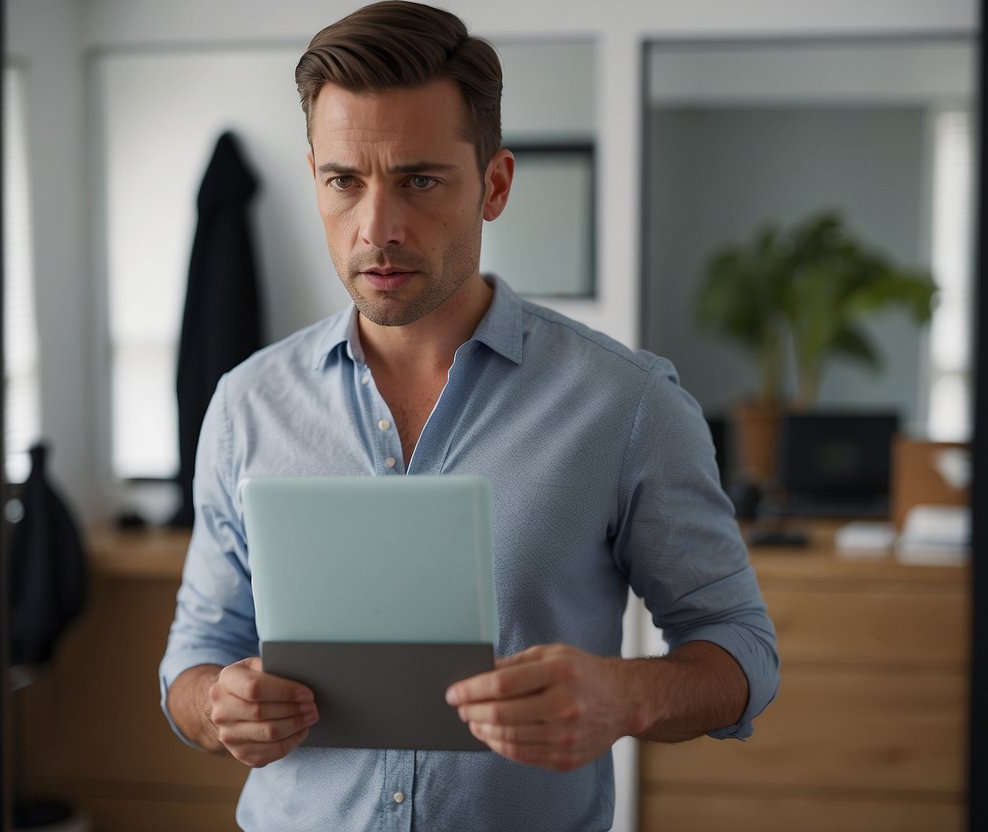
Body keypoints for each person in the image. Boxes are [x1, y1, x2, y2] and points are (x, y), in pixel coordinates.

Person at [159, 2, 778, 829]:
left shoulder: (627, 405)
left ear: (493, 185)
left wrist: (622, 695)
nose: (376, 228)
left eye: (419, 180)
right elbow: (194, 655)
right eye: (345, 181)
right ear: (315, 180)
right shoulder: (245, 404)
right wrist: (215, 704)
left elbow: (740, 651)